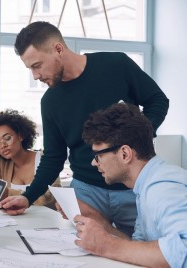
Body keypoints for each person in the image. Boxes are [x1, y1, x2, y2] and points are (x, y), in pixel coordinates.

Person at [0, 21, 169, 237]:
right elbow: (54, 157)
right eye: (30, 69)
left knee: (142, 251)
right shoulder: (50, 102)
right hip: (86, 191)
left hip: (132, 186)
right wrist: (28, 196)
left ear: (58, 49)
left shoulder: (116, 65)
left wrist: (137, 135)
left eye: (37, 65)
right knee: (87, 253)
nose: (35, 76)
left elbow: (158, 101)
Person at [73, 102, 187, 268]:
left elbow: (183, 252)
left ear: (125, 154)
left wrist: (107, 246)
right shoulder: (145, 186)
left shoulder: (163, 187)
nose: (93, 163)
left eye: (98, 155)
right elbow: (139, 250)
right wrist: (99, 222)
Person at [0, 109, 58, 209]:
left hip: (47, 221)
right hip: (17, 221)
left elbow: (50, 198)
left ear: (20, 136)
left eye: (7, 138)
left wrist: (7, 193)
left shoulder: (46, 159)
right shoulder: (2, 163)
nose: (3, 145)